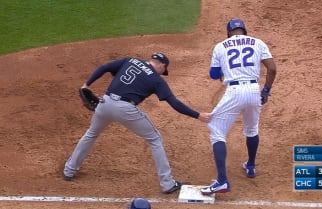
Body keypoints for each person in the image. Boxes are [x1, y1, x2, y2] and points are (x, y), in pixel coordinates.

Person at [63, 52, 211, 194]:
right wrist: (197, 115)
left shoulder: (130, 60)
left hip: (105, 103)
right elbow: (174, 103)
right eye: (163, 70)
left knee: (91, 133)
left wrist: (86, 84)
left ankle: (69, 170)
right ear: (162, 66)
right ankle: (167, 184)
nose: (161, 73)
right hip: (125, 108)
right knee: (155, 139)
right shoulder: (156, 79)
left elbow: (104, 67)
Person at [200, 18, 277, 195]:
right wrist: (265, 91)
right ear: (245, 30)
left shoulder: (220, 46)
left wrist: (221, 71)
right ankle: (250, 166)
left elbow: (213, 74)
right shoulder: (258, 43)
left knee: (216, 130)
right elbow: (272, 69)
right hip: (253, 90)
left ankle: (221, 181)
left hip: (234, 91)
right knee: (251, 129)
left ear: (228, 33)